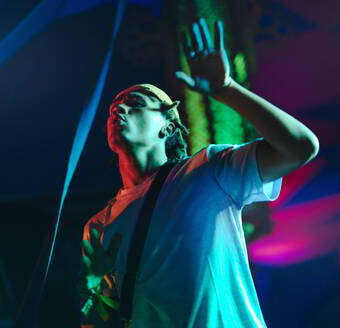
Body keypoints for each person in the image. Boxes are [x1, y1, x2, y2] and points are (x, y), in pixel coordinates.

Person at [80, 18, 319, 327]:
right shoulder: (98, 226)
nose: (119, 110)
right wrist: (101, 295)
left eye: (135, 103)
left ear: (167, 126)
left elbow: (300, 146)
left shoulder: (207, 170)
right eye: (114, 108)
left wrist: (226, 88)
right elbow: (98, 319)